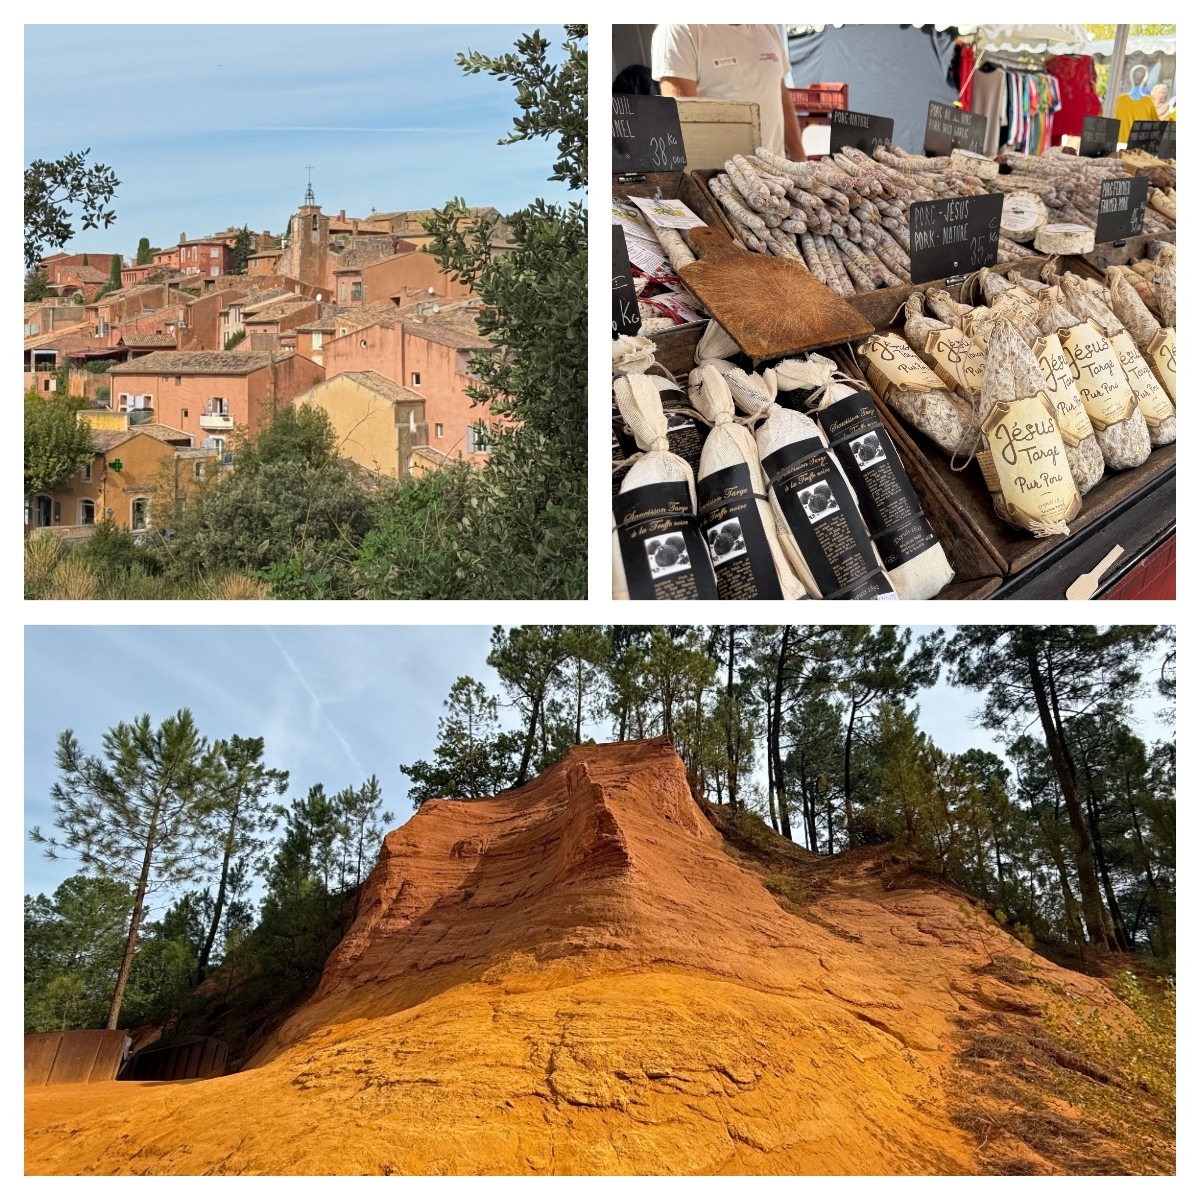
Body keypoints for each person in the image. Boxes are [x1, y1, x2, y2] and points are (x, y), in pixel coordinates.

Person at [651, 24, 806, 161]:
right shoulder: (679, 29)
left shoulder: (767, 26)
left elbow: (780, 93)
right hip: (719, 182)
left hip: (775, 177)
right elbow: (681, 120)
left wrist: (799, 157)